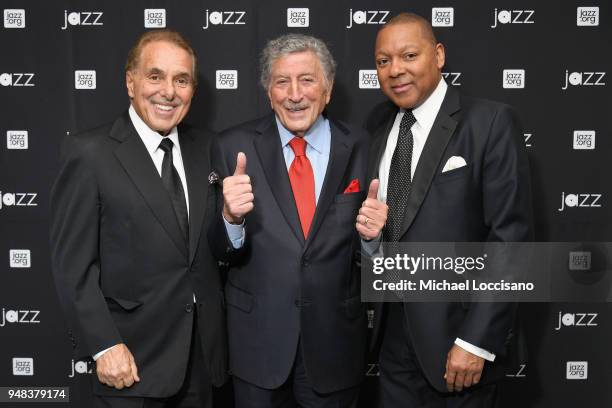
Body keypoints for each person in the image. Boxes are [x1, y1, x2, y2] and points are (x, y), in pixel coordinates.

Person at [358, 12, 533, 407]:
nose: (395, 70)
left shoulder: (489, 122)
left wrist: (476, 340)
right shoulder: (377, 128)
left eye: (408, 55)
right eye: (383, 61)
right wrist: (371, 241)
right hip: (391, 341)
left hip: (460, 341)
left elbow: (511, 239)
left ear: (438, 56)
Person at [50, 29, 227, 408]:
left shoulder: (210, 149)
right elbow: (72, 266)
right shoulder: (90, 153)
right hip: (130, 364)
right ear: (130, 82)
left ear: (193, 89)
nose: (169, 91)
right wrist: (104, 345)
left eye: (181, 80)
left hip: (202, 364)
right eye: (155, 76)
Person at [209, 33, 370, 407]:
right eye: (282, 82)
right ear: (269, 93)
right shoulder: (232, 146)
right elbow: (216, 251)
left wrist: (374, 240)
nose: (294, 94)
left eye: (307, 80)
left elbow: (369, 255)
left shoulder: (361, 144)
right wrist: (230, 218)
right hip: (257, 348)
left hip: (335, 347)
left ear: (327, 90)